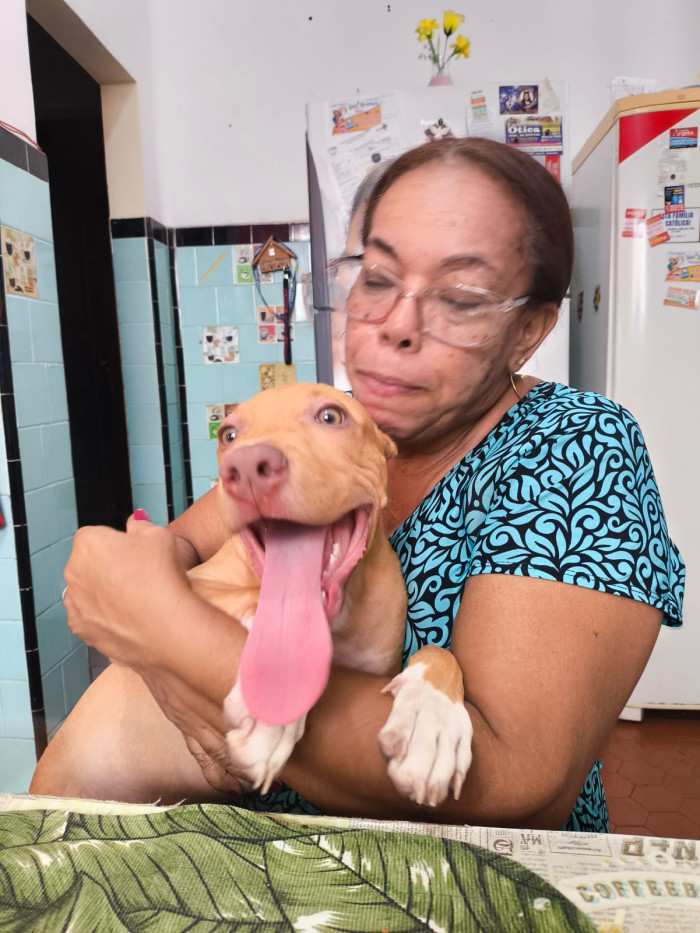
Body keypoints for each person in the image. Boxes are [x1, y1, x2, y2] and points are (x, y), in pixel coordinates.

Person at [30, 137, 685, 833]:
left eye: (460, 298)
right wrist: (132, 576)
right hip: (223, 853)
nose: (398, 325)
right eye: (377, 278)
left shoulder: (573, 444)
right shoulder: (329, 426)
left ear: (527, 331)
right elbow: (175, 547)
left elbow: (516, 786)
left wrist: (165, 637)